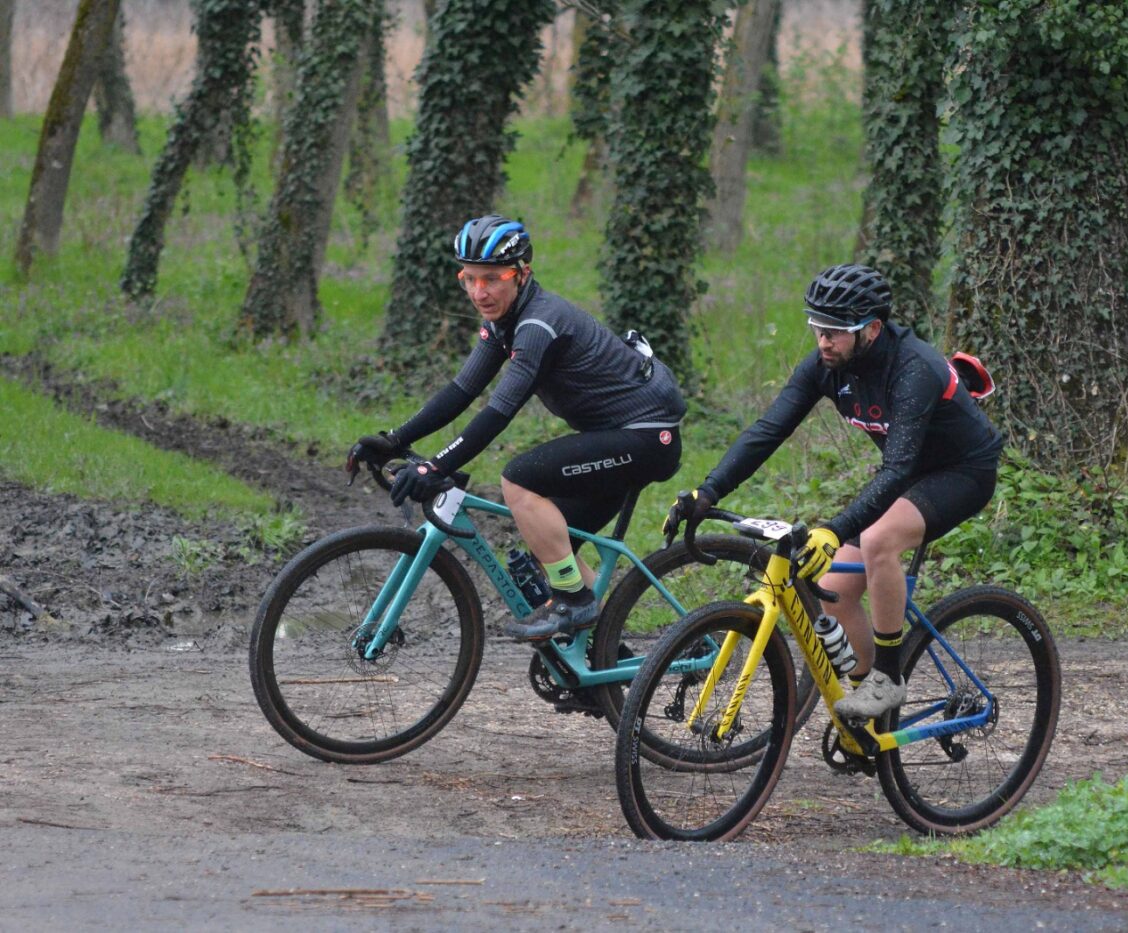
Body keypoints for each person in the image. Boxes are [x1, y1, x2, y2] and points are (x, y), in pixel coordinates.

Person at [665, 263, 1003, 721]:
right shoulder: (828, 365)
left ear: (872, 329)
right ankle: (871, 718)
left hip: (963, 472)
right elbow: (769, 430)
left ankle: (888, 678)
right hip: (908, 472)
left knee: (879, 541)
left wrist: (836, 529)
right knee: (834, 593)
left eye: (835, 331)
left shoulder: (913, 369)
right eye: (817, 328)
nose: (823, 341)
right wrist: (708, 492)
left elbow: (898, 468)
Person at [349, 215, 687, 641]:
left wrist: (435, 467)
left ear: (522, 273)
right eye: (470, 279)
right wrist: (395, 440)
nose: (480, 292)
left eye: (493, 278)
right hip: (616, 436)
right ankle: (604, 654)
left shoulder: (537, 325)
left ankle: (575, 602)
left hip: (647, 437)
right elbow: (461, 390)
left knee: (520, 479)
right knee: (546, 549)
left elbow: (499, 411)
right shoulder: (503, 321)